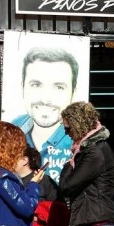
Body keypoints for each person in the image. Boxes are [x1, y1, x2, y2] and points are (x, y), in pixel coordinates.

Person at [11, 47, 80, 184]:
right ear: (22, 87)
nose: (46, 99)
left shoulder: (79, 138)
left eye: (59, 87)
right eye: (36, 85)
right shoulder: (12, 129)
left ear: (73, 93)